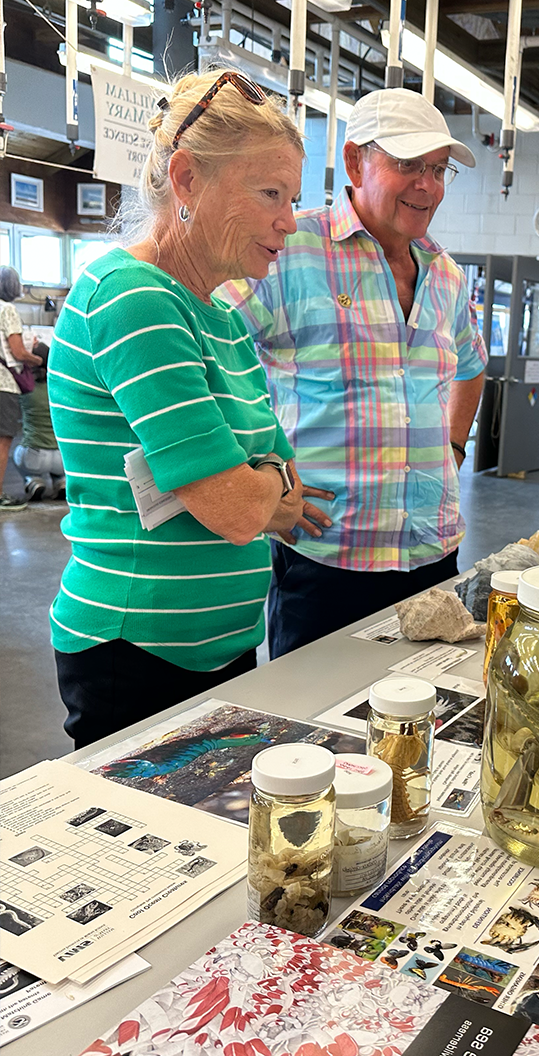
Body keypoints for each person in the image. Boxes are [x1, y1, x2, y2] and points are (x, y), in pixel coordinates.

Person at [48, 70, 332, 748]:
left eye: (291, 198)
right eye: (270, 193)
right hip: (138, 653)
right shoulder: (134, 296)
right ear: (187, 180)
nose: (289, 221)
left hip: (221, 649)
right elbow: (239, 509)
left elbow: (280, 486)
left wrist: (258, 483)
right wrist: (259, 485)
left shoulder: (223, 319)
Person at [221, 88, 486, 659]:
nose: (427, 185)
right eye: (408, 164)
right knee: (317, 731)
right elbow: (211, 349)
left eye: (438, 170)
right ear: (354, 161)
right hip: (328, 557)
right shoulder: (289, 250)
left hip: (433, 554)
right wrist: (256, 475)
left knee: (426, 719)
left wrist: (455, 446)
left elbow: (472, 366)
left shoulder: (447, 276)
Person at [0, 266, 45, 511]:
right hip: (3, 384)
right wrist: (40, 360)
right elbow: (17, 352)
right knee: (3, 442)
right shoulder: (7, 310)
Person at [13, 342, 63, 501]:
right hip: (61, 457)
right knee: (59, 464)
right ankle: (61, 482)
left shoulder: (25, 390)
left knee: (16, 452)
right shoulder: (59, 389)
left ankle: (33, 480)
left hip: (33, 455)